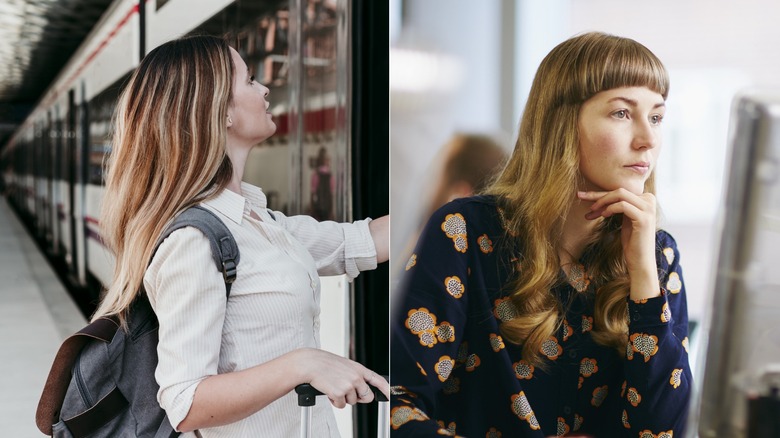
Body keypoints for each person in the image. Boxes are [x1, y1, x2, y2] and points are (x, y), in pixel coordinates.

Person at [390, 32, 691, 437]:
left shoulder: (656, 255)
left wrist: (642, 272)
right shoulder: (464, 232)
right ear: (562, 124)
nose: (648, 139)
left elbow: (664, 429)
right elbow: (397, 406)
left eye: (656, 117)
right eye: (622, 113)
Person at [93, 35, 389, 437]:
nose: (265, 89)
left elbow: (361, 242)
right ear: (221, 111)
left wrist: (456, 207)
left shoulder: (259, 221)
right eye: (249, 80)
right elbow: (185, 401)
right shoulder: (194, 241)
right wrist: (302, 364)